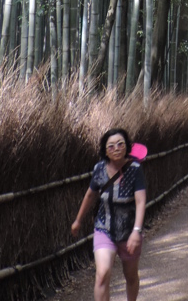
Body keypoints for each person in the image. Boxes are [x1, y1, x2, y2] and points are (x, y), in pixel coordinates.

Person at [72, 128, 147, 301]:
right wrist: (78, 220)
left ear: (127, 146)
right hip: (104, 228)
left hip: (129, 232)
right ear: (105, 150)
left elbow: (140, 201)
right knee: (102, 274)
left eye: (120, 144)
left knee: (131, 276)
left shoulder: (135, 169)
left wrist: (136, 230)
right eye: (111, 146)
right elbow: (90, 194)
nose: (116, 148)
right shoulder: (99, 169)